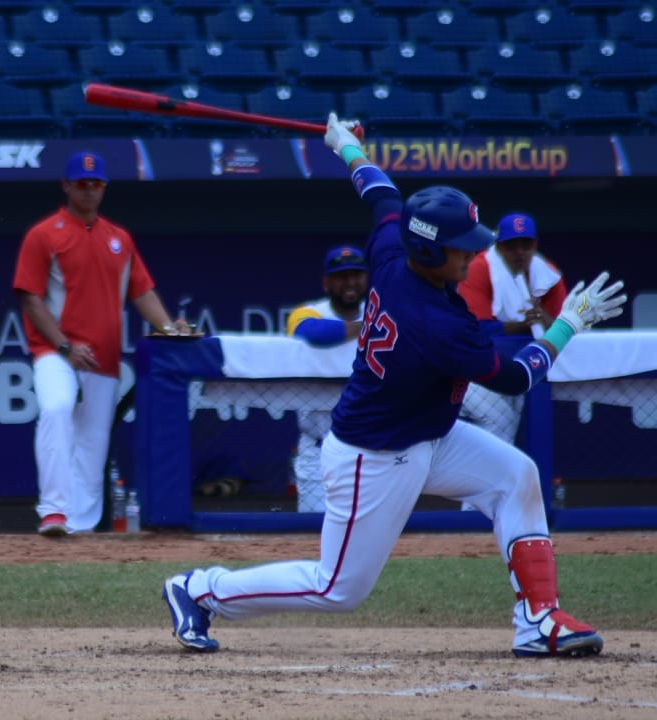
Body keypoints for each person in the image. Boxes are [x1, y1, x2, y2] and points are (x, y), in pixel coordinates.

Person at [161, 113, 626, 658]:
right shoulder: (436, 322)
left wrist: (348, 149)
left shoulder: (392, 248)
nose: (474, 255)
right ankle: (200, 589)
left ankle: (537, 620)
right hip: (373, 456)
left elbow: (380, 193)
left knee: (516, 476)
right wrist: (567, 324)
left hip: (428, 435)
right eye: (461, 247)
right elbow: (517, 376)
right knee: (337, 589)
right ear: (430, 251)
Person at [13, 150, 189, 537]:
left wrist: (169, 329)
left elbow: (142, 292)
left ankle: (82, 529)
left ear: (104, 188)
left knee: (93, 444)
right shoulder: (44, 234)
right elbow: (30, 297)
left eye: (96, 184)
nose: (89, 190)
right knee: (57, 410)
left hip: (104, 359)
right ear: (66, 186)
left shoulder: (119, 239)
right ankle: (54, 512)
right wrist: (63, 346)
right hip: (55, 352)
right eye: (81, 183)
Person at [456, 212, 568, 444]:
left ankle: (487, 477)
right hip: (471, 368)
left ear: (535, 244)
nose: (519, 252)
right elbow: (474, 329)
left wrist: (544, 319)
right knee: (500, 421)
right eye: (511, 245)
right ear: (498, 246)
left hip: (517, 367)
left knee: (508, 427)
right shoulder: (480, 268)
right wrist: (521, 327)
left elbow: (565, 324)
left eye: (525, 244)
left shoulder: (547, 273)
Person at [283, 245, 368, 512]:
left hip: (371, 451)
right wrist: (367, 326)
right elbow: (310, 331)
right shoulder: (309, 312)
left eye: (356, 274)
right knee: (313, 536)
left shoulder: (381, 312)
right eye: (341, 276)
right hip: (318, 450)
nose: (350, 282)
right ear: (326, 282)